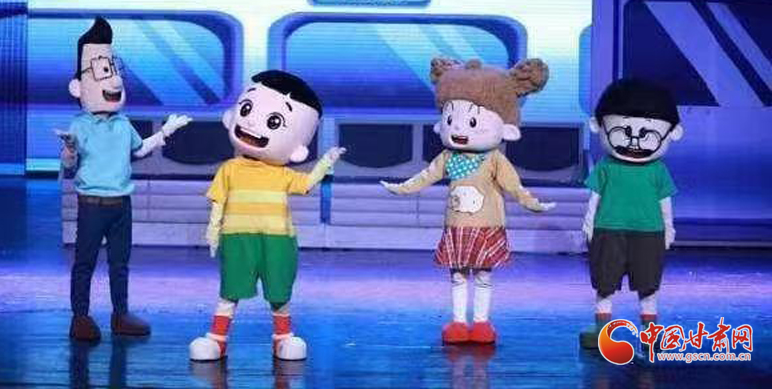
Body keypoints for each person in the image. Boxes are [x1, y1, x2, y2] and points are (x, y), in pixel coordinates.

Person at [381, 57, 554, 345]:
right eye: (451, 119)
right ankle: (459, 322)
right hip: (457, 227)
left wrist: (533, 203)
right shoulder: (448, 157)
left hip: (486, 226)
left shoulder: (494, 159)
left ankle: (482, 323)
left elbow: (514, 187)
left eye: (472, 121)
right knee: (458, 277)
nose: (459, 129)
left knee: (484, 276)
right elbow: (426, 176)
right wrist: (401, 189)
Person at [189, 70, 344, 362]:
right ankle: (217, 340)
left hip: (277, 240)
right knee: (230, 290)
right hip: (238, 238)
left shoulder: (282, 174)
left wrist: (325, 163)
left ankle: (282, 338)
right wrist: (213, 230)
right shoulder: (229, 169)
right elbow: (218, 201)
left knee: (279, 291)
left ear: (298, 149)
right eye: (246, 109)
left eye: (274, 121)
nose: (250, 123)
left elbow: (306, 184)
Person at [60, 16, 191, 341]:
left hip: (121, 204)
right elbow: (69, 164)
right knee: (85, 263)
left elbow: (140, 149)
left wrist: (165, 132)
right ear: (79, 87)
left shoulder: (122, 123)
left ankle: (120, 315)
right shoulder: (79, 125)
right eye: (103, 73)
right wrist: (70, 150)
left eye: (114, 71)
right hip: (92, 205)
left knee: (120, 264)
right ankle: (80, 317)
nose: (114, 81)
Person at [579, 78, 683, 350]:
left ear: (673, 132)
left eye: (647, 133)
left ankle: (650, 332)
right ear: (598, 125)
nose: (634, 141)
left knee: (649, 285)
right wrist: (588, 224)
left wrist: (669, 228)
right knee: (604, 283)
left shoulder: (657, 170)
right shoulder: (606, 166)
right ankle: (602, 330)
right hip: (608, 229)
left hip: (649, 232)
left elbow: (664, 201)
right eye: (623, 130)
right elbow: (595, 197)